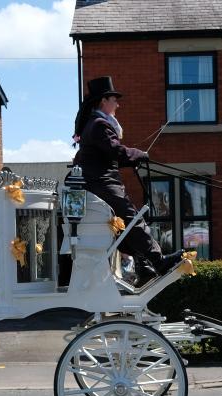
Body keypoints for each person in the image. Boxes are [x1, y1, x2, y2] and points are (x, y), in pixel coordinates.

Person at [73, 76, 183, 286]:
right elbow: (115, 151)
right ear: (104, 101)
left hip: (103, 181)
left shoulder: (94, 124)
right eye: (114, 99)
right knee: (132, 219)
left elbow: (107, 156)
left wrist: (133, 158)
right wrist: (138, 154)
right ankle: (158, 262)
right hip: (103, 183)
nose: (118, 104)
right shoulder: (98, 125)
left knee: (129, 224)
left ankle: (145, 268)